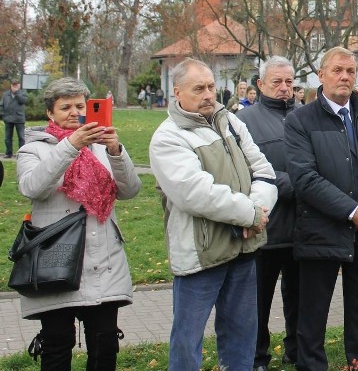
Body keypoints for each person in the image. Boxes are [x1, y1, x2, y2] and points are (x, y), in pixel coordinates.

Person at [149, 58, 277, 371]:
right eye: (199, 89)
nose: (208, 94)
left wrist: (257, 211)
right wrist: (250, 214)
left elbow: (264, 171)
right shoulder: (168, 137)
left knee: (241, 336)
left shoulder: (231, 122)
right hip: (201, 256)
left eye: (210, 86)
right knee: (187, 340)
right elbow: (195, 193)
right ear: (177, 92)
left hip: (243, 249)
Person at [284, 47, 358, 370]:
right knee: (312, 320)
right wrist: (354, 211)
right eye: (337, 70)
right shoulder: (300, 121)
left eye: (351, 71)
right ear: (321, 75)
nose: (345, 77)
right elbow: (305, 179)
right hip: (322, 234)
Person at [17, 77, 141, 369]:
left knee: (105, 345)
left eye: (80, 106)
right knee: (57, 347)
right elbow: (33, 188)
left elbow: (131, 190)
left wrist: (116, 152)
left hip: (104, 261)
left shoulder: (101, 146)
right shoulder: (33, 149)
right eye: (65, 107)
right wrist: (71, 146)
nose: (74, 113)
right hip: (55, 263)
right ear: (50, 113)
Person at [237, 56, 300, 371]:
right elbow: (245, 169)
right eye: (277, 81)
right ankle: (257, 356)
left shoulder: (306, 116)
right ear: (260, 84)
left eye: (289, 82)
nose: (284, 88)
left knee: (300, 299)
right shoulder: (244, 120)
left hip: (303, 229)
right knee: (257, 302)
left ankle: (298, 349)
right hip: (265, 228)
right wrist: (292, 184)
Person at [3, 79, 28, 157]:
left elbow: (23, 101)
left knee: (21, 137)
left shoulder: (23, 93)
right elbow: (1, 105)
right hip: (8, 118)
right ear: (11, 85)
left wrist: (17, 92)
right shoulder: (6, 94)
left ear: (19, 85)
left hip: (19, 118)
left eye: (16, 85)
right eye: (13, 85)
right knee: (8, 138)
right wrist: (3, 115)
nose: (15, 86)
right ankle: (8, 153)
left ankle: (21, 154)